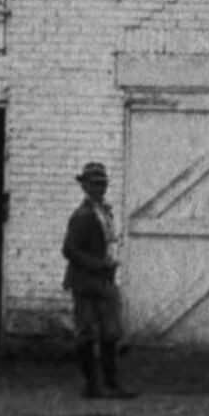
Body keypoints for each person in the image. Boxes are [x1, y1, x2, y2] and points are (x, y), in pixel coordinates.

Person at [62, 163, 131, 400]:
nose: (99, 188)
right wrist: (99, 265)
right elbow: (69, 249)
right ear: (84, 186)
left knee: (110, 332)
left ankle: (110, 384)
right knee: (87, 332)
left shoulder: (104, 212)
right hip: (85, 281)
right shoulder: (83, 216)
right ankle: (92, 386)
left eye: (103, 183)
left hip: (103, 280)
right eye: (94, 184)